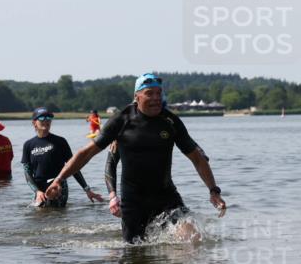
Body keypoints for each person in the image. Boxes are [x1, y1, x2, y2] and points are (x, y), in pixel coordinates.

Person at [46, 73, 226, 242]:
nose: (156, 98)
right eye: (150, 93)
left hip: (166, 197)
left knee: (192, 238)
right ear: (137, 96)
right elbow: (86, 153)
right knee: (134, 252)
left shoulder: (170, 121)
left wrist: (213, 191)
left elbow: (197, 158)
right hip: (134, 202)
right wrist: (59, 180)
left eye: (159, 93)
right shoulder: (122, 121)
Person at [22, 107, 104, 207]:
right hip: (39, 189)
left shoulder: (60, 142)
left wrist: (87, 189)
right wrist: (37, 191)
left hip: (58, 186)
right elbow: (27, 173)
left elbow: (73, 166)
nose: (46, 121)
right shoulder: (28, 145)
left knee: (57, 213)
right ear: (34, 123)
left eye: (48, 118)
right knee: (39, 214)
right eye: (42, 118)